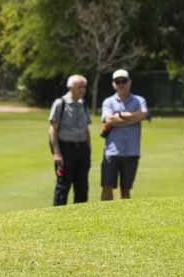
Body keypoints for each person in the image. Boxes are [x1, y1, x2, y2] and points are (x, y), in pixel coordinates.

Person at [98, 69, 148, 201]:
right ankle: (105, 212)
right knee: (107, 186)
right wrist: (131, 118)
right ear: (113, 84)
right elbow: (109, 120)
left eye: (123, 81)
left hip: (131, 151)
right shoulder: (108, 102)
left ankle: (124, 213)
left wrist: (118, 117)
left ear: (129, 82)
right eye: (117, 81)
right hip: (112, 152)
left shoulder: (139, 100)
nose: (121, 84)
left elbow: (143, 115)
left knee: (126, 189)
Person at [47, 74, 91, 205]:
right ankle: (59, 215)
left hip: (82, 149)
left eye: (84, 87)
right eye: (79, 87)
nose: (83, 90)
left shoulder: (83, 104)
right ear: (70, 88)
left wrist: (88, 149)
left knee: (82, 186)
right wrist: (56, 153)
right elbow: (53, 129)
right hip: (66, 149)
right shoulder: (60, 103)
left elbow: (86, 129)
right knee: (63, 186)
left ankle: (81, 214)